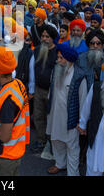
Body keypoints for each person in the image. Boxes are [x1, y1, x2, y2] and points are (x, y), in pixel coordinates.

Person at [0, 46, 30, 176]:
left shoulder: (7, 99)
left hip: (5, 157)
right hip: (15, 152)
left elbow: (4, 136)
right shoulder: (18, 84)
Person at [46, 44, 85, 176]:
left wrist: (82, 121)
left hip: (70, 118)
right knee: (55, 140)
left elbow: (83, 100)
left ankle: (73, 172)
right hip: (54, 114)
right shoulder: (55, 70)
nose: (58, 61)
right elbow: (51, 92)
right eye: (58, 58)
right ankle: (60, 164)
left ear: (69, 60)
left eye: (61, 58)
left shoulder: (79, 75)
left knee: (72, 146)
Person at [28, 25, 58, 155]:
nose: (44, 39)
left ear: (53, 38)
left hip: (52, 91)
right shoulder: (38, 49)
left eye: (47, 37)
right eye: (43, 36)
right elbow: (32, 70)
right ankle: (41, 140)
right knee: (38, 116)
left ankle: (52, 143)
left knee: (51, 118)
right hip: (39, 90)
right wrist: (31, 89)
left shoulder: (58, 52)